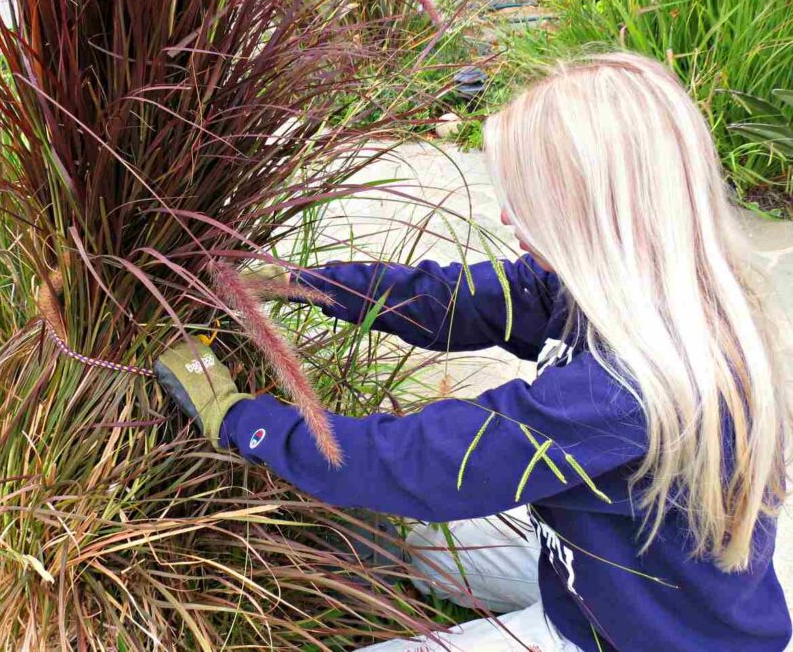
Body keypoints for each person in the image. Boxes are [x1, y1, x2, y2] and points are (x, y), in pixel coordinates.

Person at [155, 52, 792, 651]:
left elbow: (424, 463)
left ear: (588, 213)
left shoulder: (626, 392)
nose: (510, 217)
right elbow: (454, 300)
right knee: (410, 542)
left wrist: (240, 418)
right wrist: (304, 284)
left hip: (631, 638)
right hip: (608, 568)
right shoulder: (625, 293)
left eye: (528, 200)